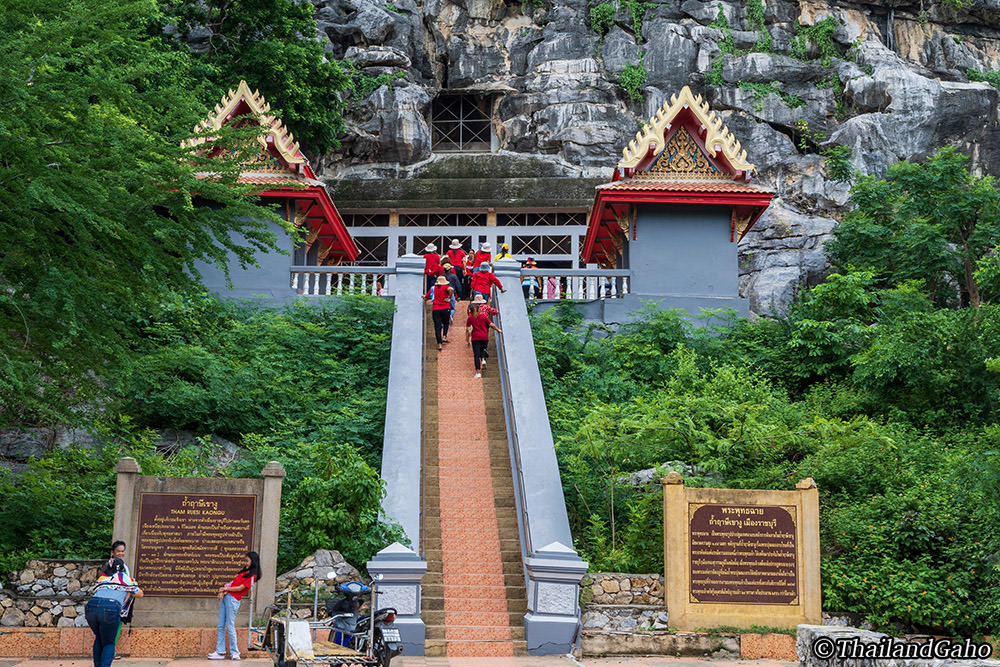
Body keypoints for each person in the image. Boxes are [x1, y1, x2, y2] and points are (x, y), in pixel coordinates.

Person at [86, 557, 142, 667]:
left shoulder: (103, 578)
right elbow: (139, 594)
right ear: (122, 568)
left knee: (99, 637)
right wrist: (135, 584)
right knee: (109, 642)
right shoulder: (124, 578)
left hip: (91, 607)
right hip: (110, 608)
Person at [208, 552, 261, 661]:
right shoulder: (244, 572)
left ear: (253, 561)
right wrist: (222, 591)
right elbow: (231, 584)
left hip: (233, 601)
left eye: (247, 561)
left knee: (230, 625)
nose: (245, 563)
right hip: (227, 598)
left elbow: (240, 588)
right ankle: (220, 652)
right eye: (245, 561)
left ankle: (235, 652)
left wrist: (225, 589)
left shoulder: (253, 576)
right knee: (221, 625)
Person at [467, 301, 502, 378]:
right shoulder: (483, 316)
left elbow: (468, 330)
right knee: (483, 350)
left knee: (476, 355)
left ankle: (478, 372)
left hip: (475, 337)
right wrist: (498, 330)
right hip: (484, 337)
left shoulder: (470, 318)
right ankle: (483, 360)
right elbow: (491, 324)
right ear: (478, 310)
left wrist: (468, 339)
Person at [424, 275, 455, 351]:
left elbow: (426, 297)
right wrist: (449, 298)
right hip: (445, 308)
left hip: (436, 308)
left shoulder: (433, 288)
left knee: (437, 327)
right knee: (446, 323)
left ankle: (439, 344)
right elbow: (451, 289)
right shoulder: (446, 287)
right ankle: (444, 336)